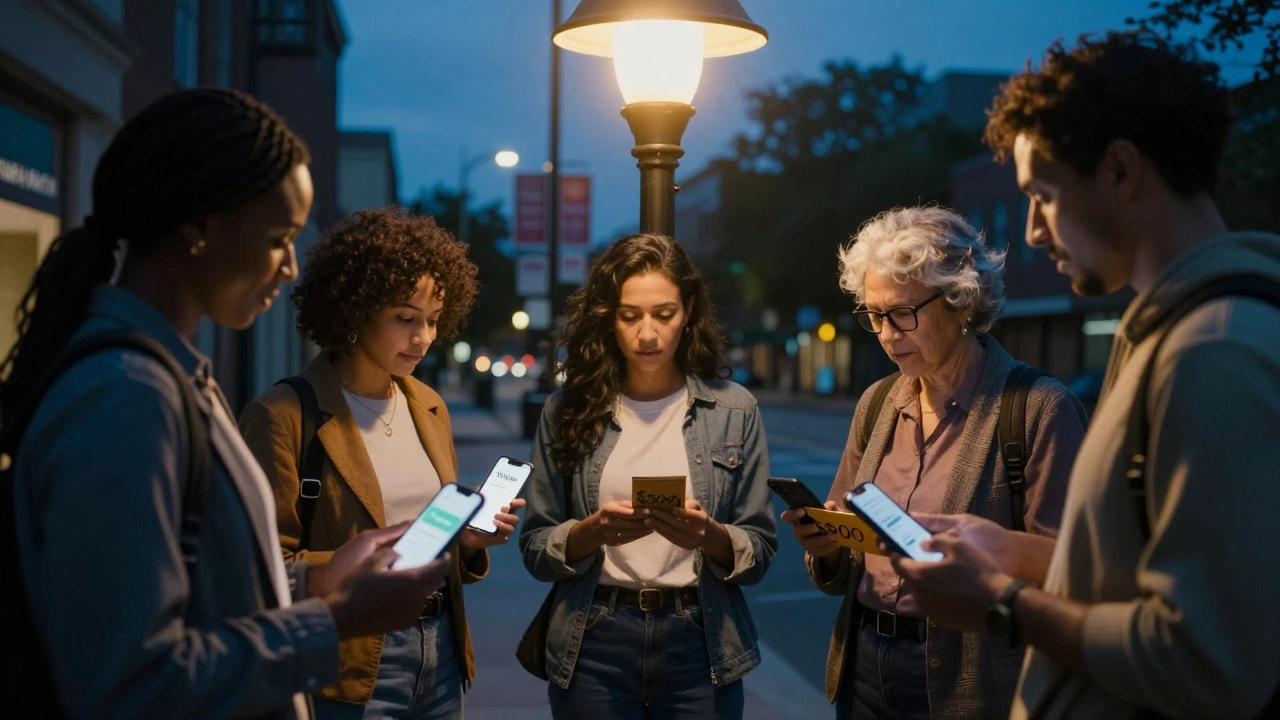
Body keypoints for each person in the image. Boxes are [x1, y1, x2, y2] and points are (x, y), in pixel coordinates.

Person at [0, 89, 452, 719]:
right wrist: (336, 620)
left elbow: (206, 592)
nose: (292, 267)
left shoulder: (171, 379)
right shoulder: (128, 396)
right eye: (277, 238)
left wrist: (316, 579)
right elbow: (129, 682)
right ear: (198, 226)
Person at [889, 32, 1280, 720]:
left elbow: (1208, 663)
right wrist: (1006, 550)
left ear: (1121, 171)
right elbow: (1137, 569)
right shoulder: (1172, 332)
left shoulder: (1210, 351)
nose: (1035, 232)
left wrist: (999, 604)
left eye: (1041, 195)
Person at [782, 206, 1087, 719]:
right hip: (865, 666)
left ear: (960, 301)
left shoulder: (1037, 408)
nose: (886, 333)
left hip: (973, 681)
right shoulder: (877, 403)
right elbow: (845, 556)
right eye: (874, 315)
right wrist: (828, 546)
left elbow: (1073, 571)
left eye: (902, 312)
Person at [239, 207, 521, 720]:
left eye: (434, 320)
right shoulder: (281, 416)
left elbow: (423, 545)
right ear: (356, 309)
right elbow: (256, 572)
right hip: (348, 662)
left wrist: (467, 540)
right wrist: (357, 565)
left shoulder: (428, 407)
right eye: (405, 318)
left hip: (440, 652)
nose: (425, 337)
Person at [518, 233, 777, 720]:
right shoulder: (569, 409)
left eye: (664, 313)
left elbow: (760, 549)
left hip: (700, 640)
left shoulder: (733, 409)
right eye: (630, 315)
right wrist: (589, 532)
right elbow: (535, 546)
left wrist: (710, 535)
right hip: (595, 636)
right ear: (608, 317)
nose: (647, 334)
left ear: (688, 312)